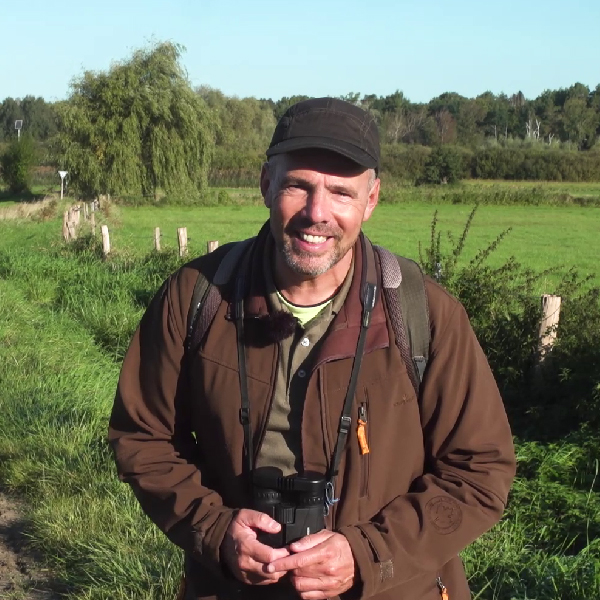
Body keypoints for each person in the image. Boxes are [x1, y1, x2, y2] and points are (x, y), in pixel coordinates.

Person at [109, 97, 516, 600]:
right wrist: (216, 530)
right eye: (298, 185)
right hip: (232, 586)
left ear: (371, 201)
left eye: (342, 193)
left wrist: (367, 555)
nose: (317, 213)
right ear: (265, 185)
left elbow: (479, 471)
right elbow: (142, 438)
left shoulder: (424, 313)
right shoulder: (197, 296)